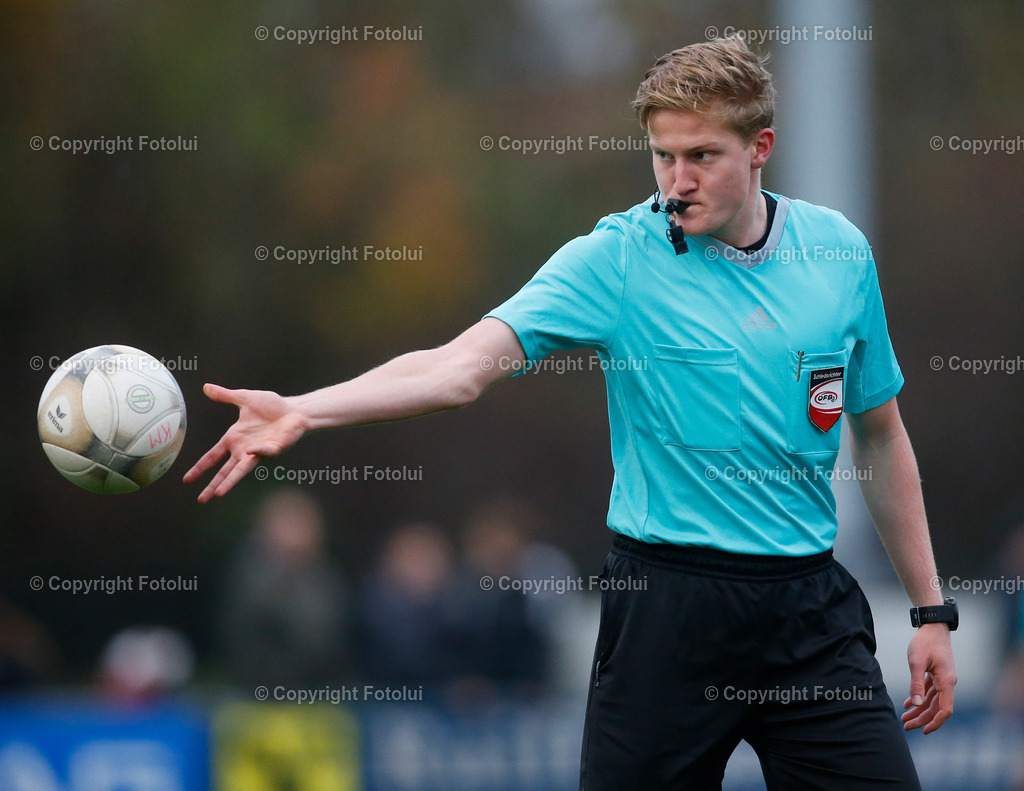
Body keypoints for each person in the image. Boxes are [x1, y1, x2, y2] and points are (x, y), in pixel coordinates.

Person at [185, 36, 956, 789]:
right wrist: (303, 410)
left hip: (808, 615)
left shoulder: (837, 254)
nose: (676, 181)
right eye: (662, 156)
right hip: (667, 612)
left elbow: (880, 434)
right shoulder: (617, 258)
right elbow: (457, 368)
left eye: (701, 156)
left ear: (761, 147)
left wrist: (929, 609)